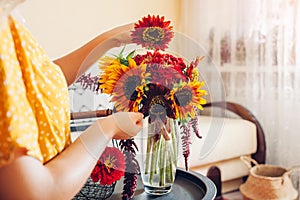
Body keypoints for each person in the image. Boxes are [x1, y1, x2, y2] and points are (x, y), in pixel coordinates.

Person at [0, 1, 143, 199]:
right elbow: (39, 193)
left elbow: (40, 82)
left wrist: (111, 39)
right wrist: (108, 128)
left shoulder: (7, 20)